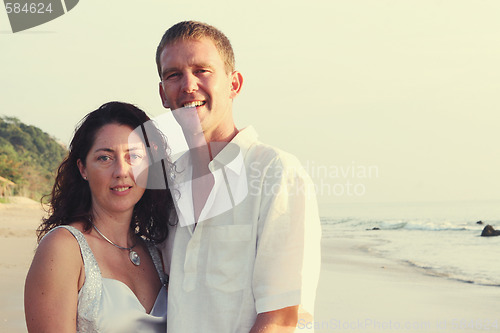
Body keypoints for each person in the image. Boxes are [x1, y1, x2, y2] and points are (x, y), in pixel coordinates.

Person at [156, 21, 322, 332]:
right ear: (164, 93)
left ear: (234, 84)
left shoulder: (276, 172)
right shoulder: (167, 181)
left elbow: (281, 319)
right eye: (174, 75)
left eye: (202, 70)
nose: (188, 85)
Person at [24, 102, 176, 332]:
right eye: (105, 158)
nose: (121, 171)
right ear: (83, 168)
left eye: (133, 156)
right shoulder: (64, 249)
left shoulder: (157, 252)